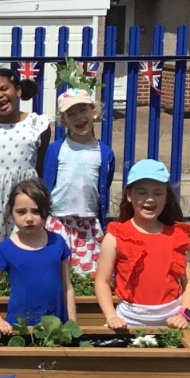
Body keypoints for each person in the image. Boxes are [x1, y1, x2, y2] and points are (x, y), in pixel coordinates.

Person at [94, 159, 190, 331]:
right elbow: (102, 282)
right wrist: (111, 316)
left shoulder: (177, 237)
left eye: (158, 193)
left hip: (171, 321)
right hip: (127, 320)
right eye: (142, 192)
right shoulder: (115, 236)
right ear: (129, 195)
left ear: (166, 197)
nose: (150, 199)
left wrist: (184, 315)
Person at [0, 65, 51, 253]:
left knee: (25, 244)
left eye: (4, 88)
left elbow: (41, 165)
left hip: (25, 195)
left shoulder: (37, 124)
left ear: (18, 90)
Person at [0, 177, 75, 334]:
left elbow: (68, 288)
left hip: (56, 330)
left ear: (46, 211)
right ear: (12, 212)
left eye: (36, 211)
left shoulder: (57, 243)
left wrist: (72, 324)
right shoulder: (5, 249)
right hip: (19, 329)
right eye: (21, 212)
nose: (29, 218)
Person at [43, 87, 116, 275]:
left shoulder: (104, 153)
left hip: (88, 223)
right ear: (64, 121)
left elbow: (104, 185)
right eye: (71, 114)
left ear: (94, 112)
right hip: (58, 220)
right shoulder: (56, 149)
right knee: (55, 270)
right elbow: (47, 182)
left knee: (87, 273)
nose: (78, 117)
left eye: (83, 110)